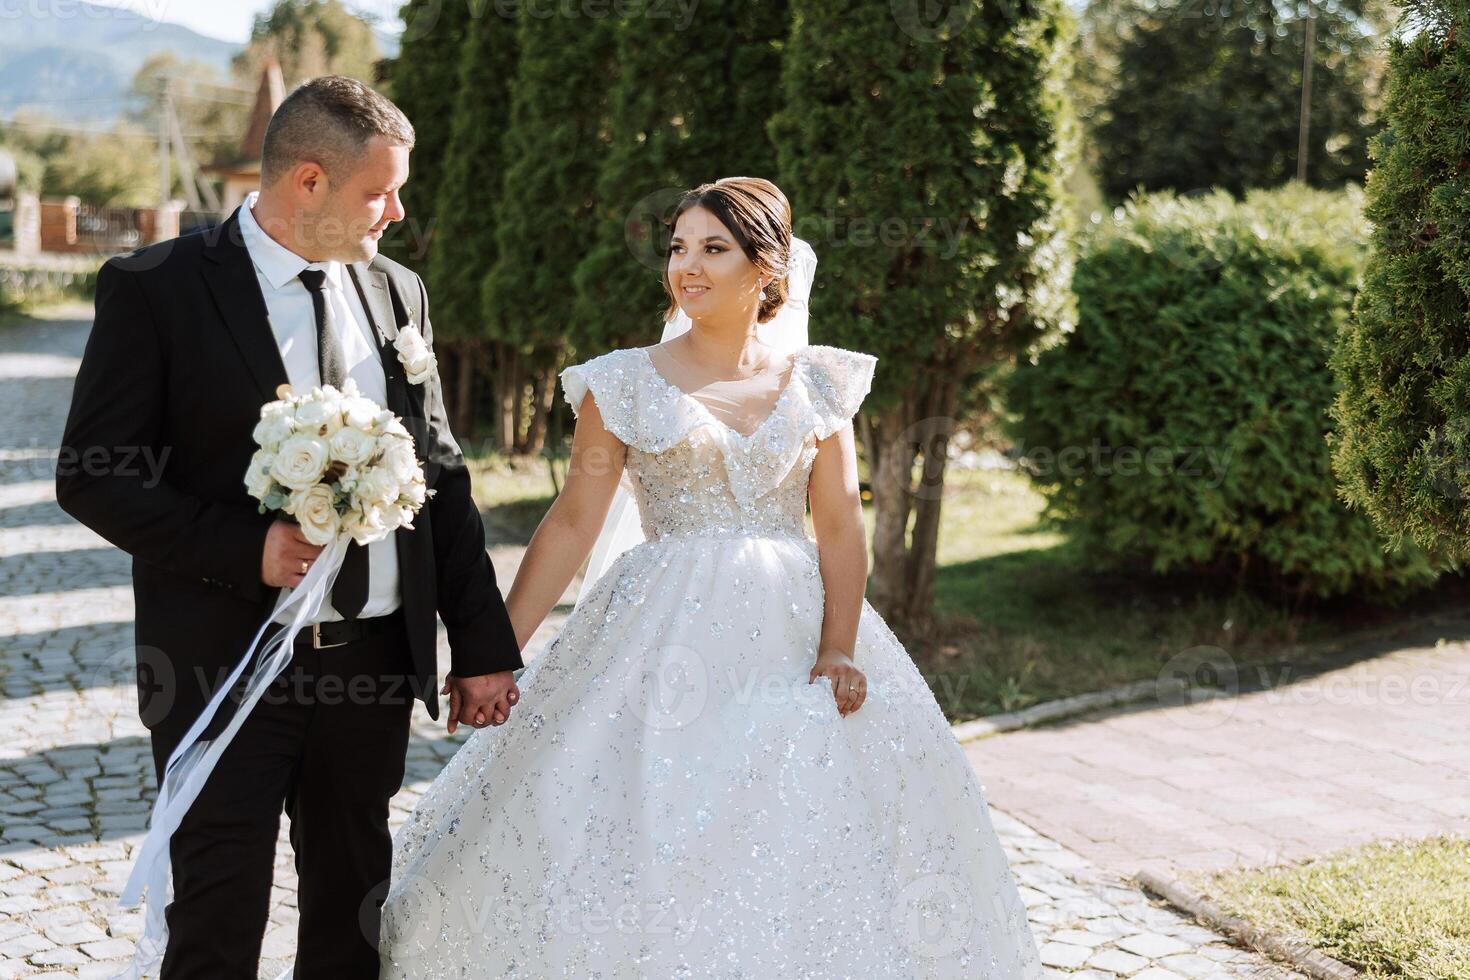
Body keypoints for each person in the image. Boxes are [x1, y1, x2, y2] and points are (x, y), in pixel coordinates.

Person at [379, 177, 1044, 978]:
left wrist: (838, 646)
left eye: (713, 249)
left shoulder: (818, 382)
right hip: (654, 633)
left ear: (767, 269)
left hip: (791, 634)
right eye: (678, 248)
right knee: (635, 807)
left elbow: (838, 525)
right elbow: (572, 523)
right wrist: (495, 652)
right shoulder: (621, 381)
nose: (687, 267)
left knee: (805, 813)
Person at [54, 75, 522, 979]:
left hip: (374, 662)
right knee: (218, 919)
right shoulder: (158, 287)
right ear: (308, 181)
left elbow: (444, 477)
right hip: (222, 661)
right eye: (378, 192)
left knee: (354, 922)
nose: (394, 212)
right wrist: (247, 550)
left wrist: (483, 644)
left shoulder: (397, 293)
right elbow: (91, 476)